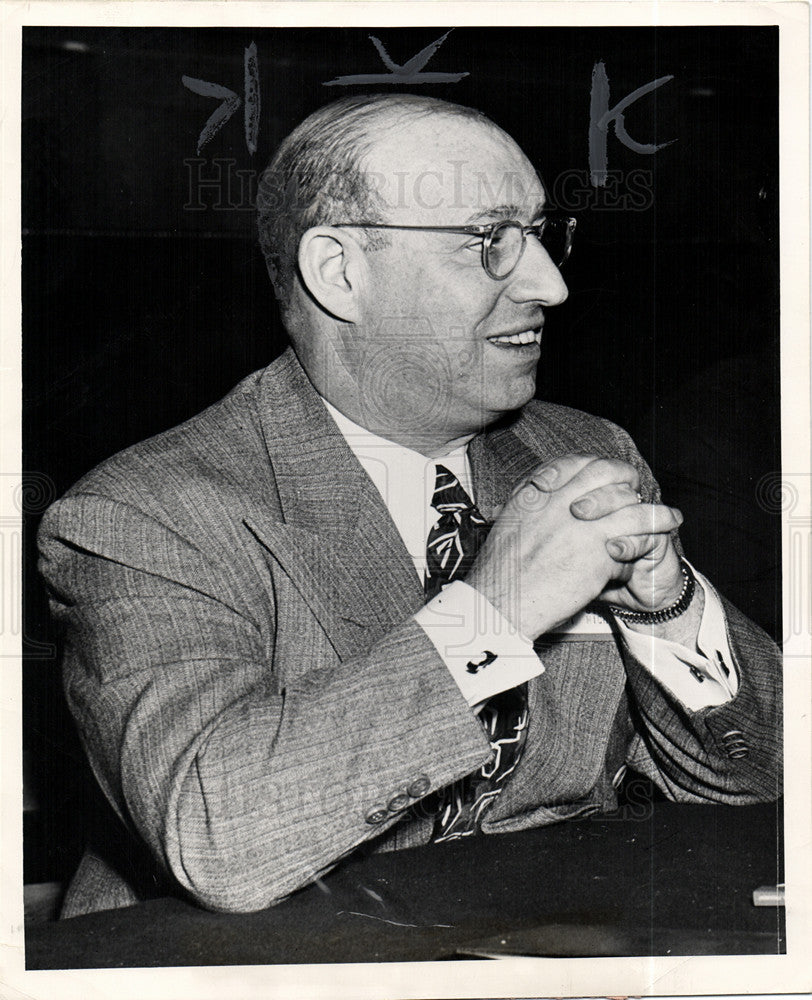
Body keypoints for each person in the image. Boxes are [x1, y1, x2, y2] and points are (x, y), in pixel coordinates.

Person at [38, 94, 781, 918]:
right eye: (489, 241)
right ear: (340, 273)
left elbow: (762, 792)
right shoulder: (141, 512)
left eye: (540, 235)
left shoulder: (585, 454)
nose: (551, 284)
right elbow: (220, 837)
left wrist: (669, 616)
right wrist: (492, 614)